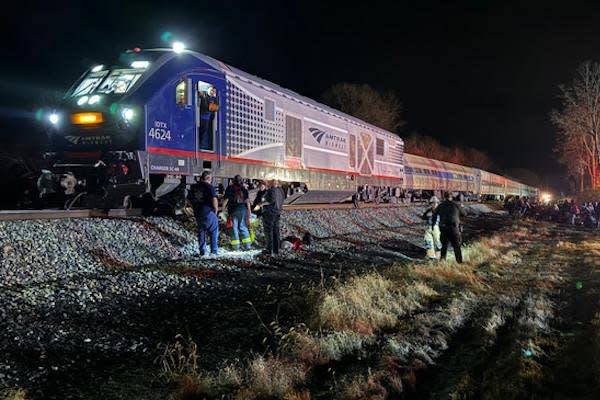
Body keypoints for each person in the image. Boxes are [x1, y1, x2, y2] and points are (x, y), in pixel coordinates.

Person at [187, 171, 219, 256]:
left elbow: (188, 200)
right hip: (208, 212)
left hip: (198, 213)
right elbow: (214, 199)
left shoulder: (193, 187)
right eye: (211, 179)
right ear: (208, 178)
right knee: (213, 231)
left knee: (201, 231)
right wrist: (216, 209)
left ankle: (202, 252)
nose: (211, 180)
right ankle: (214, 252)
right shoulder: (209, 187)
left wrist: (194, 207)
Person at [432, 191, 466, 263]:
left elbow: (434, 215)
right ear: (451, 197)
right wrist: (461, 208)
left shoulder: (441, 205)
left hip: (444, 228)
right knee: (456, 246)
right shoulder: (456, 205)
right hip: (454, 229)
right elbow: (464, 214)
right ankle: (459, 262)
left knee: (444, 246)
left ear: (444, 197)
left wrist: (433, 225)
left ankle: (443, 261)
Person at [222, 175, 252, 251]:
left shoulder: (230, 188)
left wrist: (222, 210)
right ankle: (247, 246)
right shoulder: (244, 189)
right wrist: (249, 212)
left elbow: (226, 200)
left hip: (233, 210)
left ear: (233, 181)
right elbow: (247, 202)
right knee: (242, 226)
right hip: (243, 209)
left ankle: (236, 247)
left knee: (233, 227)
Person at [261, 179, 285, 255]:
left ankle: (269, 250)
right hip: (277, 213)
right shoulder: (281, 191)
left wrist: (262, 204)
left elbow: (271, 200)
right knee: (276, 232)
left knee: (269, 232)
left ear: (272, 182)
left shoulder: (272, 190)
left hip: (270, 213)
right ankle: (276, 250)